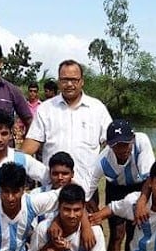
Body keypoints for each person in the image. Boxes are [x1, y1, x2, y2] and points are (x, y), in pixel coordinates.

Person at [83, 119, 154, 251]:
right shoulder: (102, 160)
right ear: (109, 145)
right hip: (116, 189)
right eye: (117, 146)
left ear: (132, 139)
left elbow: (150, 178)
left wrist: (141, 202)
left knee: (134, 234)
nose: (123, 149)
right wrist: (94, 211)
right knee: (116, 235)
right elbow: (86, 192)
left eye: (126, 143)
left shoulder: (142, 142)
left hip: (141, 186)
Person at [22, 59, 112, 192]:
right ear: (59, 82)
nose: (69, 84)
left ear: (82, 81)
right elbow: (31, 145)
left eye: (74, 80)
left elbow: (112, 144)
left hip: (86, 190)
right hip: (52, 188)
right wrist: (11, 159)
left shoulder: (97, 108)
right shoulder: (46, 108)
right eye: (64, 80)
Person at [0, 109, 47, 192]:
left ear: (10, 135)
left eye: (4, 134)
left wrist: (32, 197)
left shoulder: (21, 159)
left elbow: (50, 178)